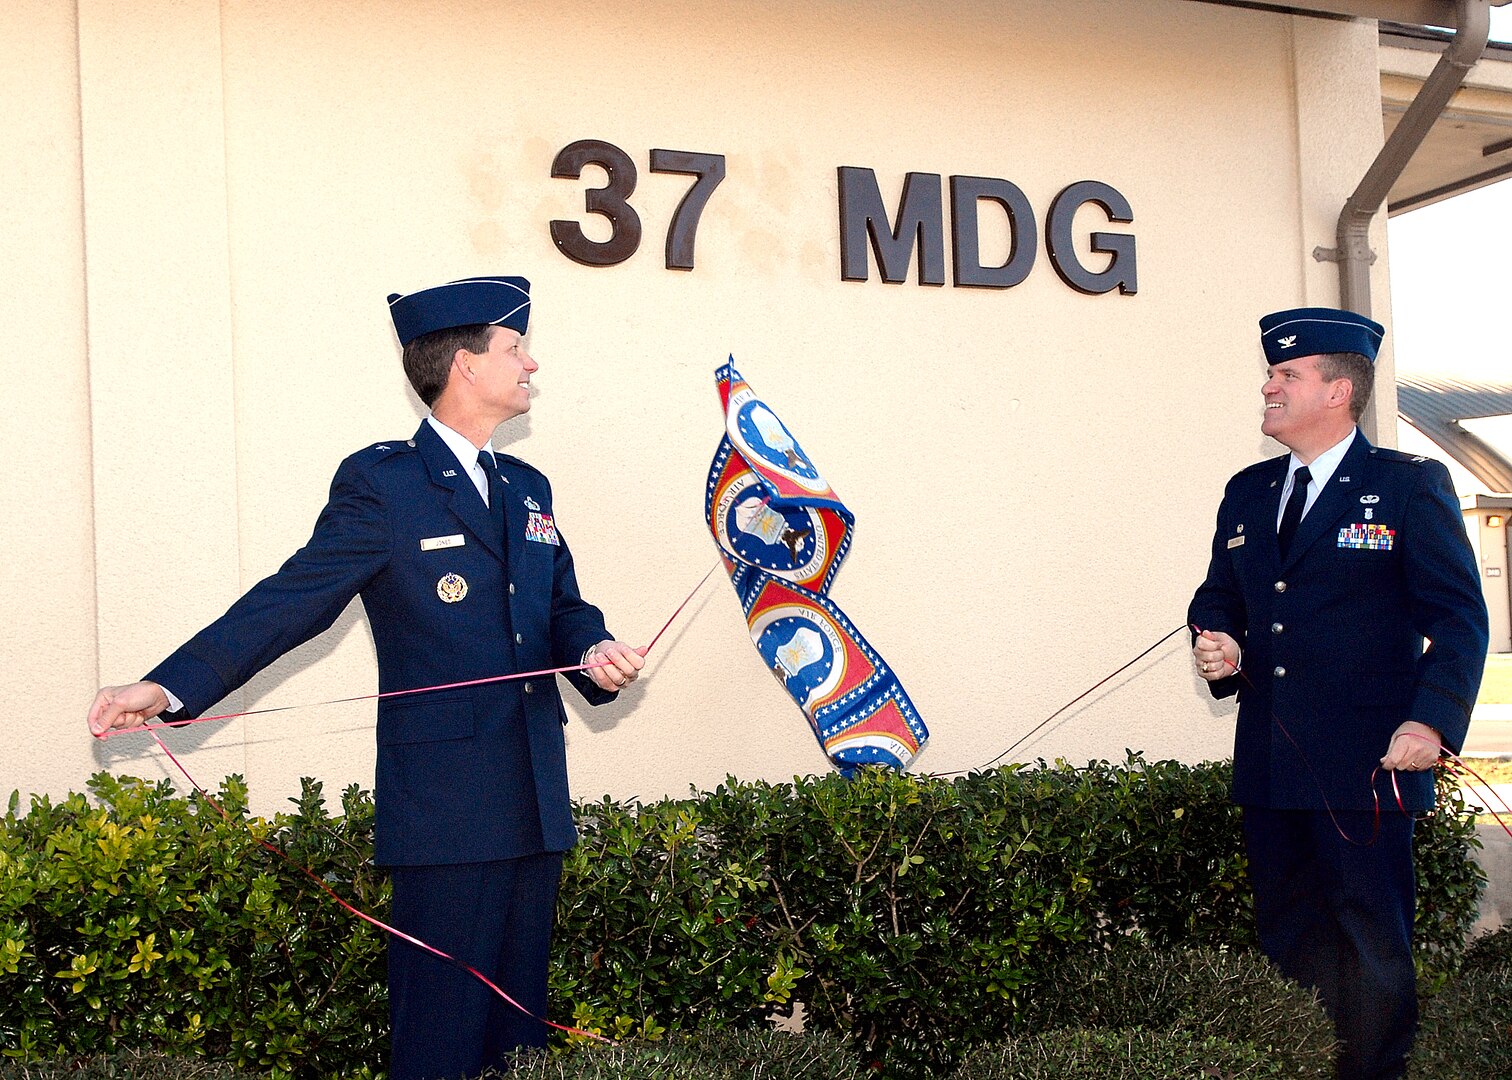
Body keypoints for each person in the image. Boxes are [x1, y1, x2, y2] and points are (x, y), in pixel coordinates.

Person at [86, 275, 645, 1080]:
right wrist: (169, 687)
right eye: (516, 348)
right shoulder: (386, 485)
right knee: (443, 1041)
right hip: (448, 812)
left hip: (535, 802)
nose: (531, 365)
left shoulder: (528, 488)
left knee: (521, 1045)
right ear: (465, 365)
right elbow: (292, 599)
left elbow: (562, 607)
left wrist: (596, 652)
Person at [1187, 306, 1488, 1080]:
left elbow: (1459, 620)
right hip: (1273, 763)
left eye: (1286, 375)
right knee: (1287, 939)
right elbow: (1219, 595)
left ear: (1338, 391)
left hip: (1368, 767)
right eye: (1271, 373)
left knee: (1369, 946)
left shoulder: (1407, 487)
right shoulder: (1249, 493)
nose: (1269, 385)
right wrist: (1217, 639)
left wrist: (1431, 722)